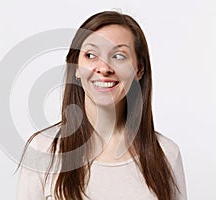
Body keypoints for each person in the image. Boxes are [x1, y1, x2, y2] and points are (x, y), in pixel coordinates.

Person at [16, 11, 187, 200]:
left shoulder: (166, 154)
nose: (104, 68)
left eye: (119, 56)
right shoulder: (43, 149)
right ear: (76, 68)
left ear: (139, 70)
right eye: (91, 55)